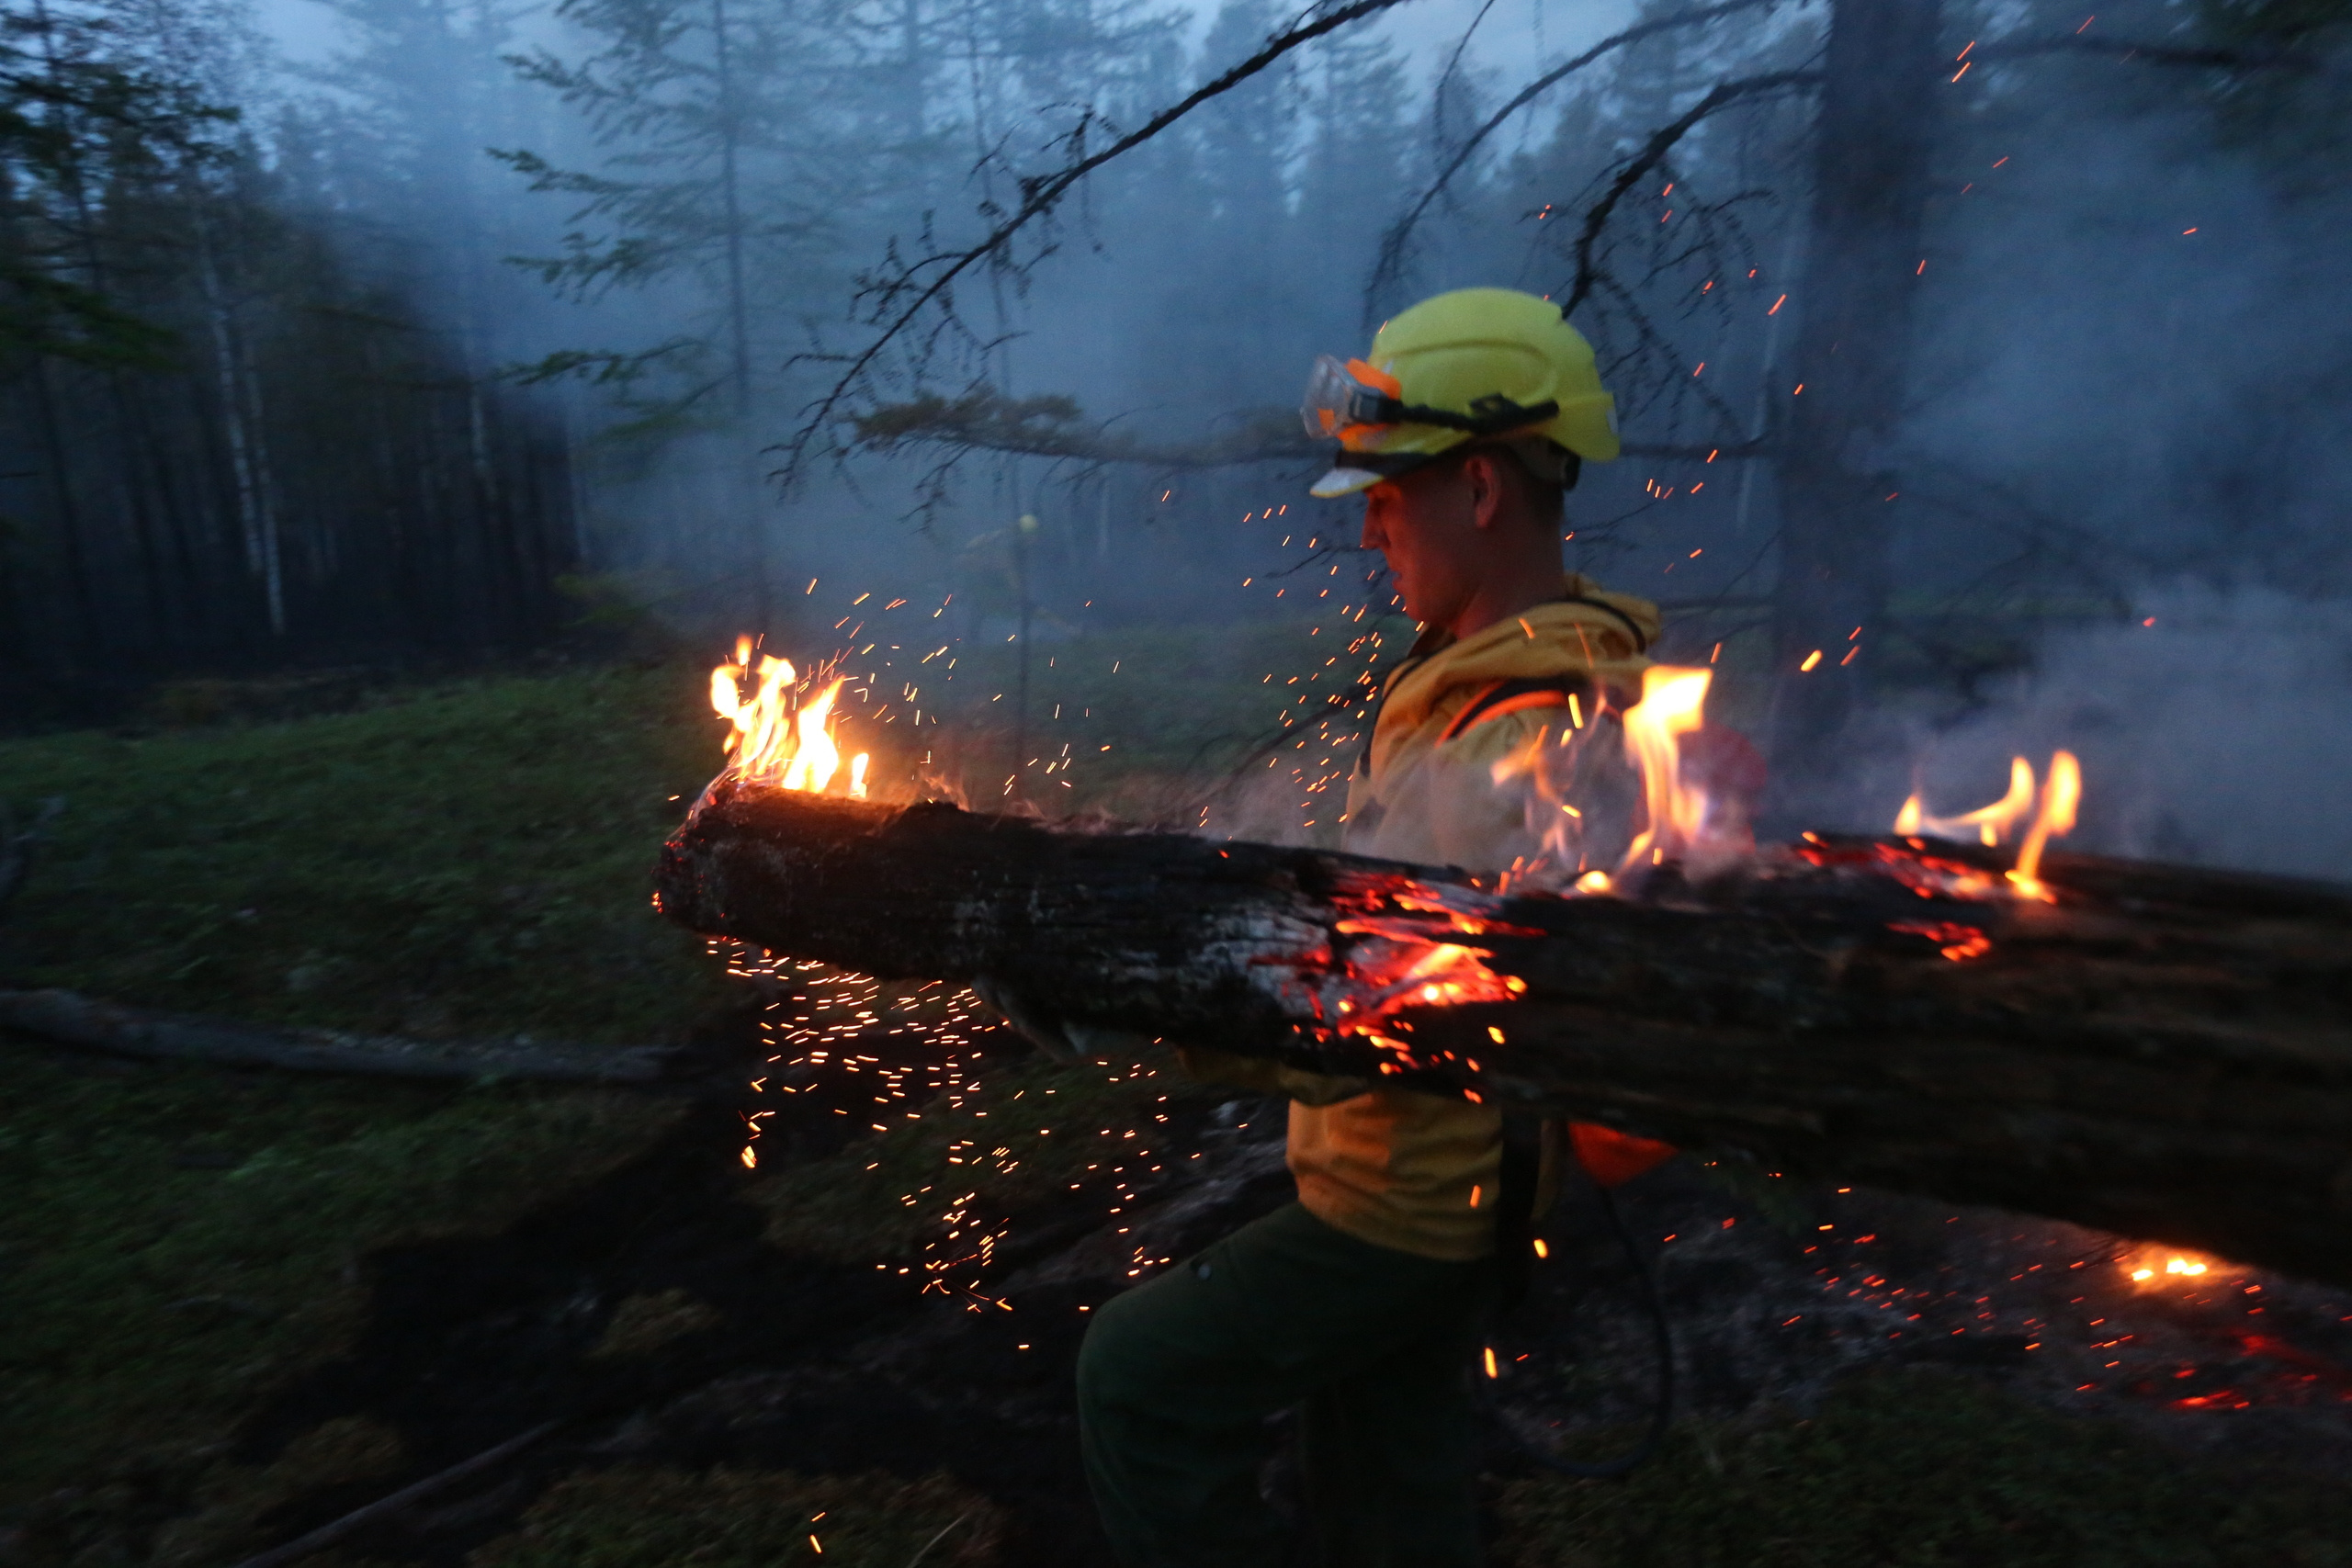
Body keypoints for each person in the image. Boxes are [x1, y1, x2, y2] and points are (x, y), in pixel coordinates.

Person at [1008, 288, 1685, 1568]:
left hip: (1412, 1207)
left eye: (1388, 489)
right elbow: (1365, 895)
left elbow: (1370, 1004)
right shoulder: (1495, 692)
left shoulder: (1510, 747)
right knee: (1390, 1495)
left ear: (1479, 489)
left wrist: (1124, 1000)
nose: (1369, 522)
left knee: (1140, 1377)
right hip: (1463, 1198)